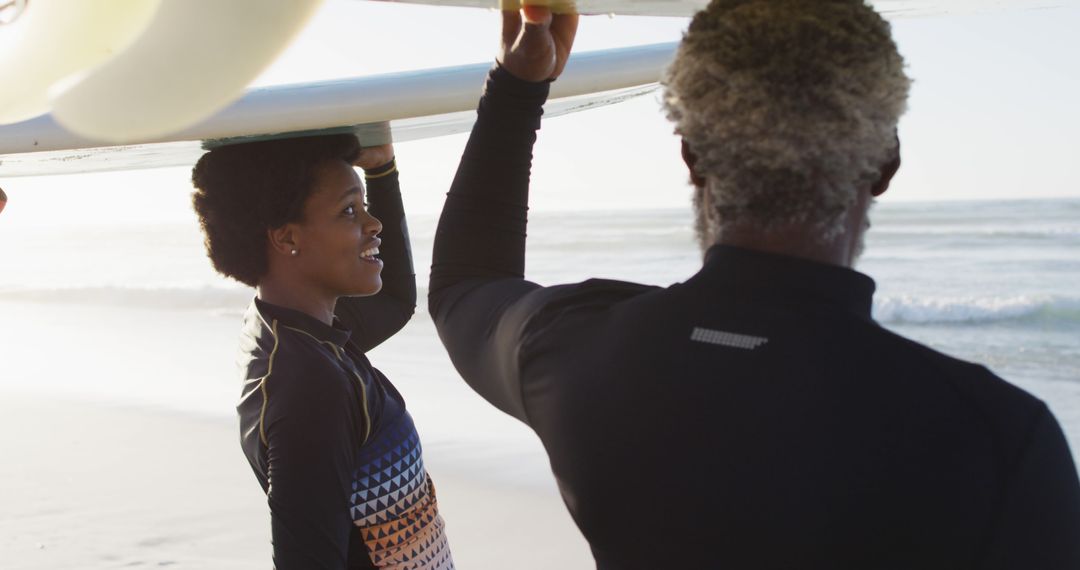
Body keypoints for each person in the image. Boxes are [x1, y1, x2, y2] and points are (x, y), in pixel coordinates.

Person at [428, 1, 1080, 568]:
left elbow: (466, 286)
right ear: (886, 161)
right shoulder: (997, 443)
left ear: (691, 157)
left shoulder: (576, 353)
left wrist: (518, 86)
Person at [192, 135, 454, 569]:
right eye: (349, 210)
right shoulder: (310, 386)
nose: (374, 224)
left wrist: (383, 170)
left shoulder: (294, 332)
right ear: (287, 237)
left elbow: (394, 302)